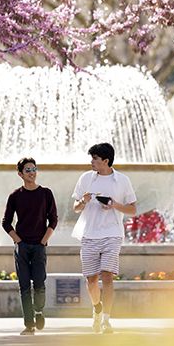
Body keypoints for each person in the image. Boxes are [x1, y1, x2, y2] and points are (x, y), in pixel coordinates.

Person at [71, 142, 137, 334]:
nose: (92, 162)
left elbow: (133, 209)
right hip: (89, 234)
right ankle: (97, 308)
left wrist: (115, 205)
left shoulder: (122, 180)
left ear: (106, 161)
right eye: (91, 158)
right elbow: (75, 208)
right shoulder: (85, 178)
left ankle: (106, 320)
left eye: (95, 159)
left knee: (107, 276)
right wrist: (83, 201)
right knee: (91, 280)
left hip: (112, 234)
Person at [1, 157, 58, 335]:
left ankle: (39, 311)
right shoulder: (15, 196)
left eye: (34, 169)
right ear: (20, 174)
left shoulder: (46, 193)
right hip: (22, 247)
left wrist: (43, 241)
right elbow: (6, 222)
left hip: (39, 246)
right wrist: (18, 241)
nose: (32, 173)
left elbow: (54, 219)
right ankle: (29, 324)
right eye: (28, 170)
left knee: (39, 284)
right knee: (24, 287)